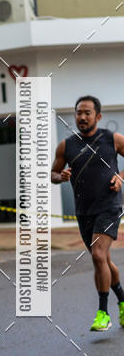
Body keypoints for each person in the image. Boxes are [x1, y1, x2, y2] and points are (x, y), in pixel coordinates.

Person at [51, 95, 124, 331]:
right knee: (103, 260)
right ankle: (123, 301)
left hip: (109, 206)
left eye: (87, 113)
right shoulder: (66, 145)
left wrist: (120, 177)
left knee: (98, 257)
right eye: (78, 112)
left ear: (98, 116)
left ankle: (103, 313)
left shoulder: (111, 139)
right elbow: (53, 172)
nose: (82, 117)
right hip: (84, 212)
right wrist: (59, 177)